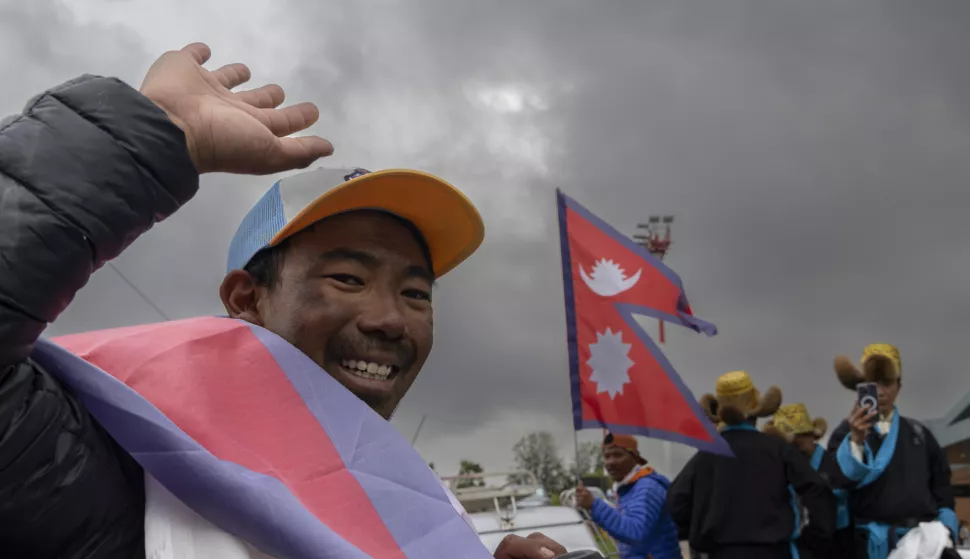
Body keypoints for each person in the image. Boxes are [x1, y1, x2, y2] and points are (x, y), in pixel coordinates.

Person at [0, 42, 567, 559]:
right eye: (347, 278)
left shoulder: (428, 511)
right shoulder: (108, 467)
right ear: (246, 298)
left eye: (416, 293)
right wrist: (150, 133)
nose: (391, 319)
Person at [667, 371, 834, 559]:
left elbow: (676, 501)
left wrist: (702, 528)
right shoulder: (777, 449)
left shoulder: (706, 455)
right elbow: (816, 487)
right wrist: (814, 539)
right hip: (772, 552)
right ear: (756, 411)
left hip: (723, 553)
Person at [827, 344, 957, 559]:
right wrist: (856, 442)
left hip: (919, 546)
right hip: (865, 546)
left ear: (899, 386)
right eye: (873, 384)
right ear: (862, 386)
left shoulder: (920, 434)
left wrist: (945, 530)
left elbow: (942, 487)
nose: (880, 391)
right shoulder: (844, 434)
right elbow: (835, 487)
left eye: (887, 383)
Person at [573, 433, 682, 559]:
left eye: (618, 455)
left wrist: (594, 505)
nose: (610, 462)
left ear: (635, 457)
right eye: (607, 456)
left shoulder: (647, 488)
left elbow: (636, 532)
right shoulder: (628, 488)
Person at [764, 403, 851, 559]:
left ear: (812, 435)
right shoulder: (779, 471)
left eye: (801, 435)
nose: (796, 444)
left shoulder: (835, 467)